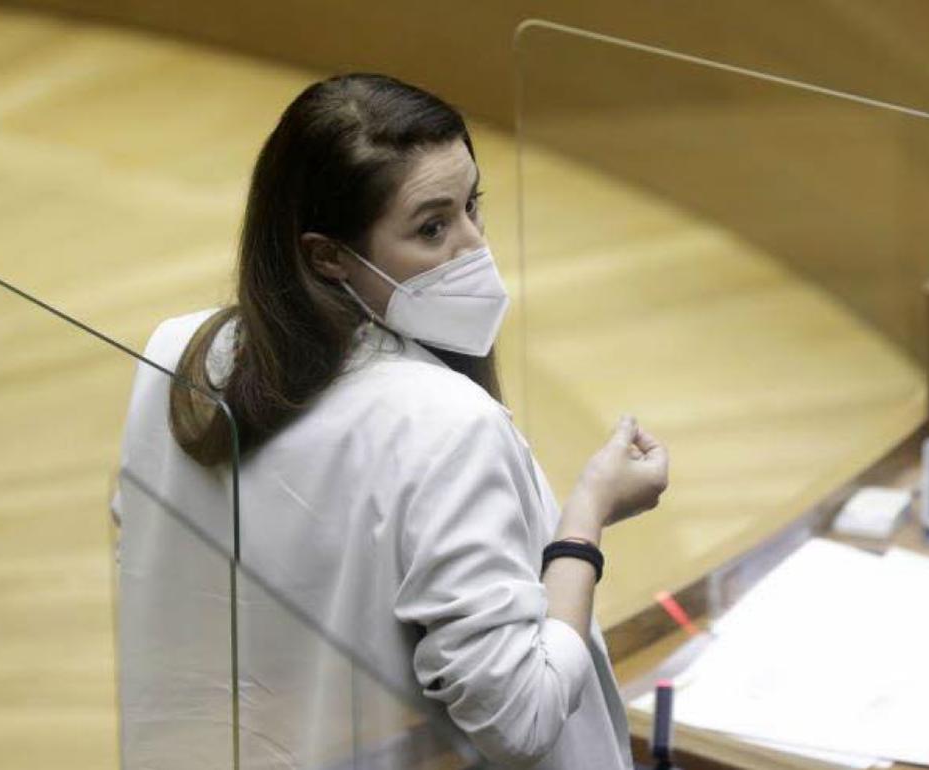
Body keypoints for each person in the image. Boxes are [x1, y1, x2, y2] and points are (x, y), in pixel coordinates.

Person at [112, 72, 669, 770]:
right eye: (432, 228)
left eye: (473, 206)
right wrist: (585, 518)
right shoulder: (445, 422)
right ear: (327, 255)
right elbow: (521, 719)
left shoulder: (181, 354)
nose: (473, 247)